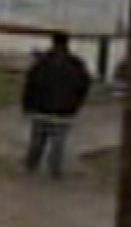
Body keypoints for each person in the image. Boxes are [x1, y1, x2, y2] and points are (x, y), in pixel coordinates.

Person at [21, 32, 92, 180]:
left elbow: (30, 85)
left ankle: (31, 164)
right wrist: (76, 104)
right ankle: (54, 169)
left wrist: (27, 105)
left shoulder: (42, 63)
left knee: (37, 139)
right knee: (58, 142)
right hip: (64, 110)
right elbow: (84, 85)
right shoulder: (76, 64)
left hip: (41, 108)